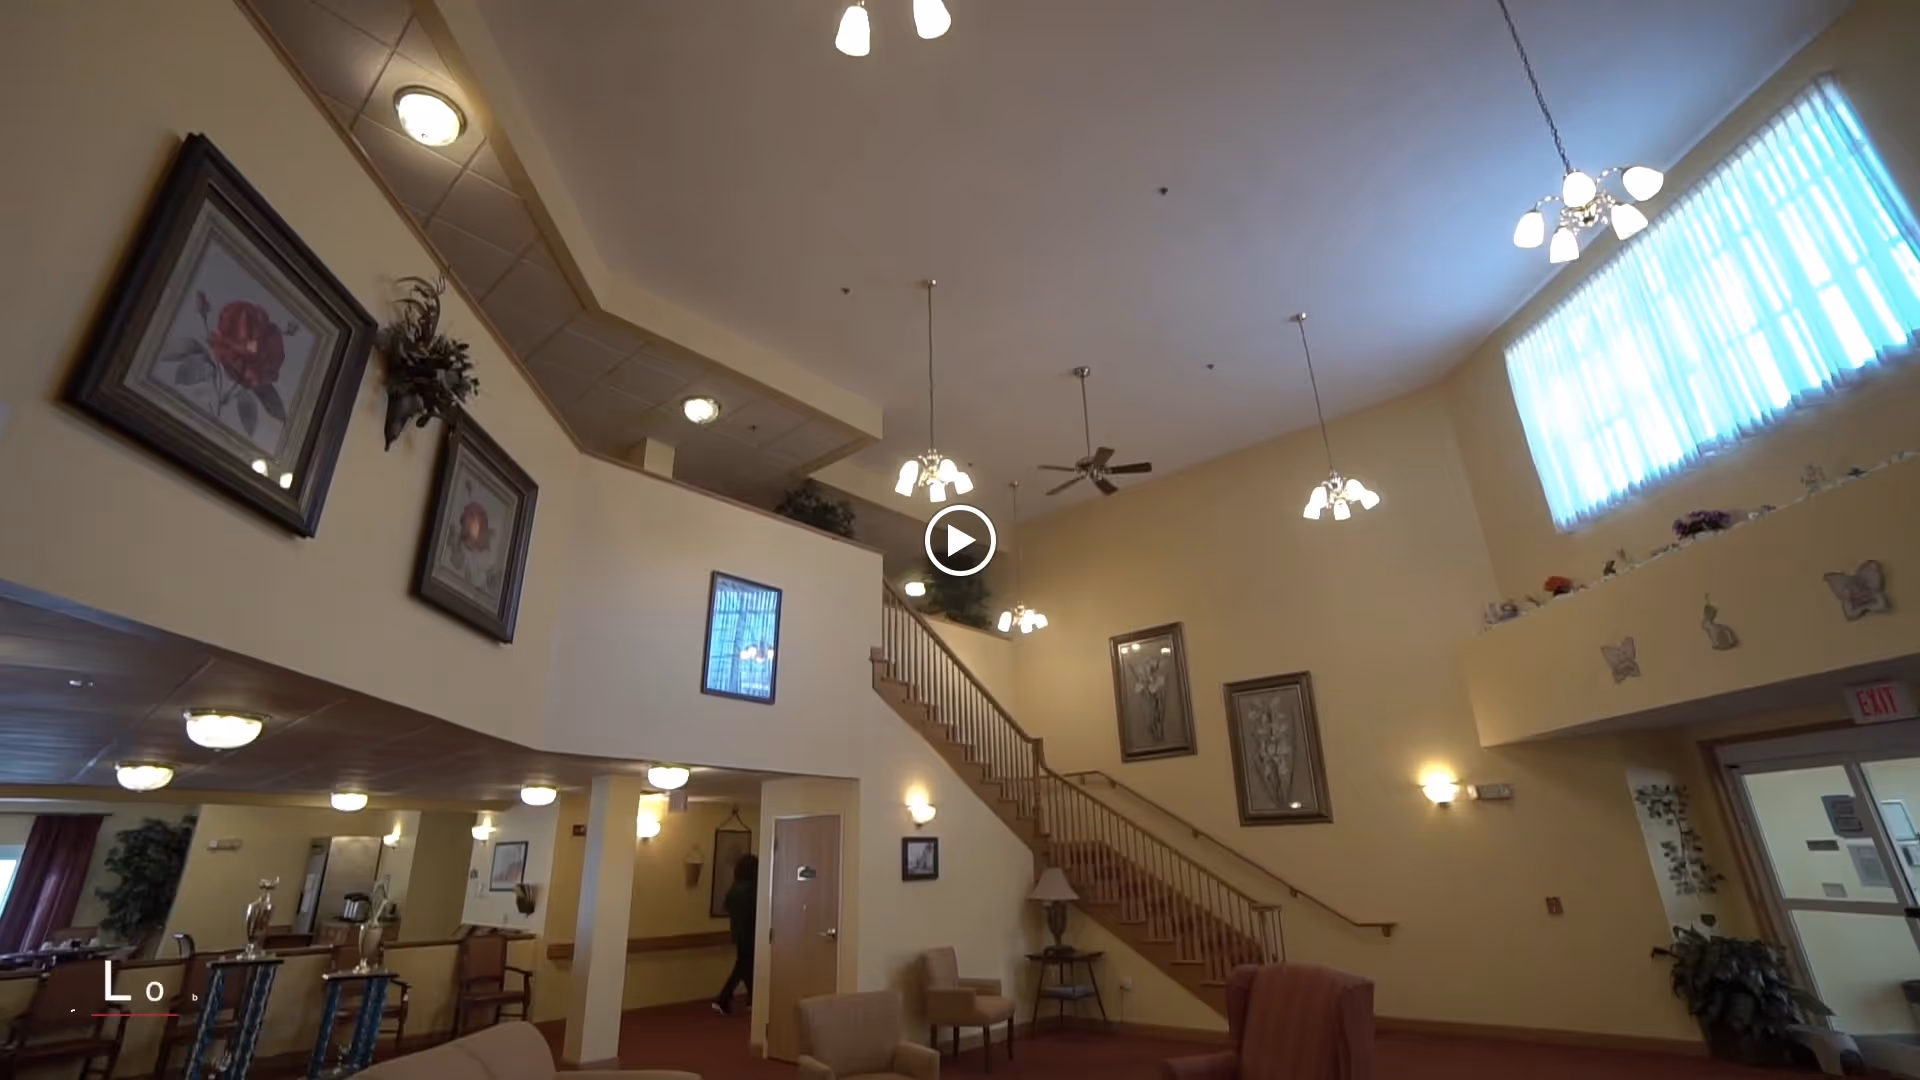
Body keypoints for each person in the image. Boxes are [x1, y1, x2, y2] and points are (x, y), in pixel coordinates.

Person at [713, 852, 758, 1015]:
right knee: (744, 967)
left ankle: (751, 999)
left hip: (739, 933)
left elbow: (728, 907)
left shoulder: (735, 888)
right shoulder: (752, 890)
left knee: (745, 966)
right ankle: (724, 999)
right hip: (751, 933)